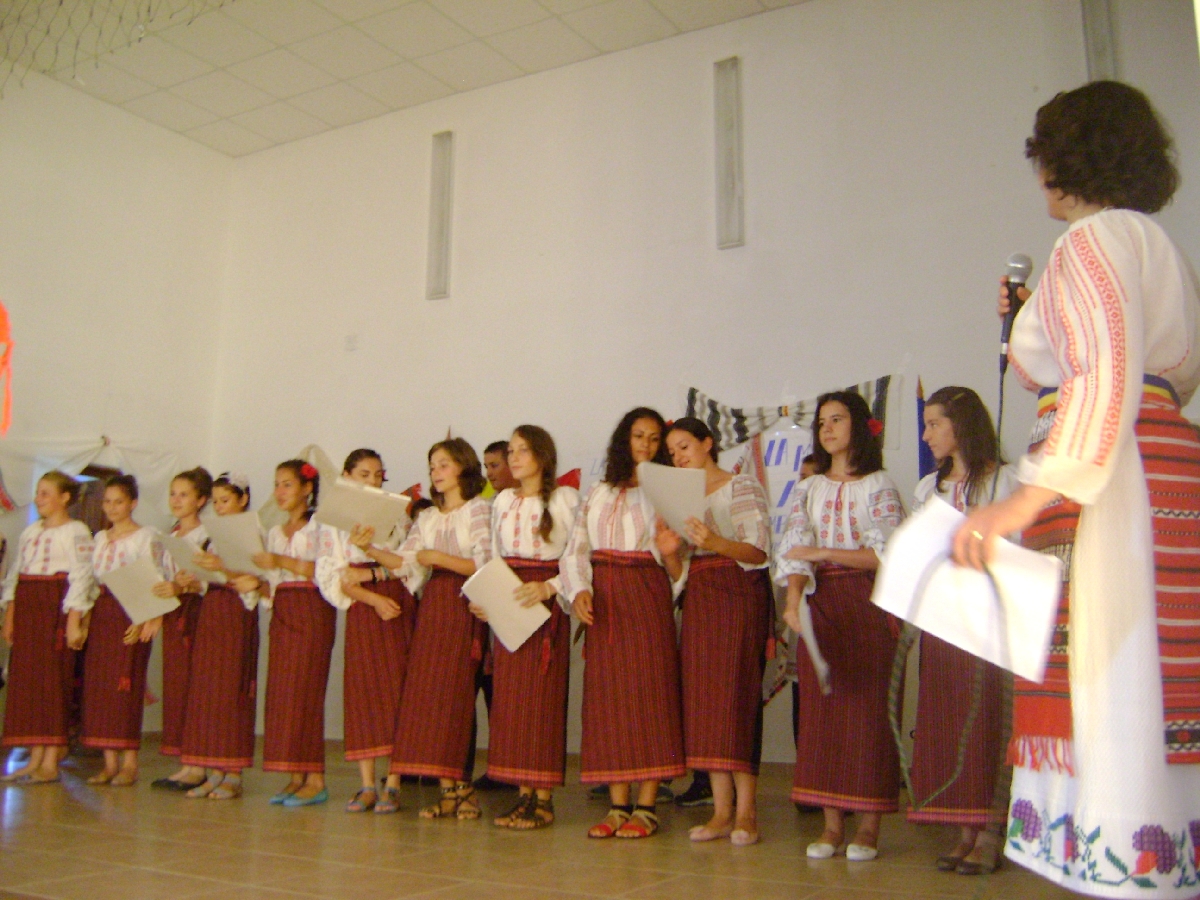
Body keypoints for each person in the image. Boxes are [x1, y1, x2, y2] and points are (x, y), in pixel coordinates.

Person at [953, 81, 1200, 898]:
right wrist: (1035, 319)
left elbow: (1100, 375)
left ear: (1062, 159)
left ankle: (1126, 866)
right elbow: (1155, 372)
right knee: (1156, 685)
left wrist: (1023, 499)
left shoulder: (1089, 242)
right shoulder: (1155, 245)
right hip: (1161, 463)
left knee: (1114, 684)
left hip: (1111, 485)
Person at [776, 391, 905, 861]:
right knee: (822, 715)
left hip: (868, 604)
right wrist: (793, 601)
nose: (828, 429)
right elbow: (796, 548)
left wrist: (825, 552)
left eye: (838, 419)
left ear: (860, 426)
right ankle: (831, 826)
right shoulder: (809, 488)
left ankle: (868, 826)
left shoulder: (879, 484)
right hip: (820, 603)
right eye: (822, 422)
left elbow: (887, 553)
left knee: (868, 714)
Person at [560, 406, 685, 839]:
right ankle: (617, 805)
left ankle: (646, 806)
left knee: (650, 696)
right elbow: (576, 549)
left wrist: (670, 552)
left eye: (653, 438)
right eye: (638, 436)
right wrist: (579, 590)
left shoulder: (666, 492)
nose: (645, 444)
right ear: (624, 440)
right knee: (607, 700)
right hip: (605, 600)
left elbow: (680, 565)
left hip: (646, 597)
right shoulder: (598, 492)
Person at [909, 387, 1018, 874]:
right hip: (943, 621)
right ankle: (964, 830)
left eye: (935, 424)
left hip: (990, 619)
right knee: (950, 723)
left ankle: (991, 831)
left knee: (987, 722)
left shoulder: (1005, 482)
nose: (926, 434)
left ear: (962, 425)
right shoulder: (927, 489)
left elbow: (1022, 548)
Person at [664, 417, 773, 846]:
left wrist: (714, 541)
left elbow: (757, 550)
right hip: (701, 599)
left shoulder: (740, 485)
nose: (679, 457)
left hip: (738, 593)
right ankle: (721, 811)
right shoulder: (681, 500)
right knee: (705, 702)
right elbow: (680, 572)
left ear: (708, 443)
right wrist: (670, 553)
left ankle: (747, 812)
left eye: (685, 446)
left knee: (737, 698)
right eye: (672, 452)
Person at [472, 425, 579, 829]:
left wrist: (550, 588)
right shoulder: (502, 501)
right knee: (512, 704)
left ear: (542, 456)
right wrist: (488, 597)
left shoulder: (565, 500)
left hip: (543, 604)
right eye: (511, 451)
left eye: (522, 451)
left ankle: (544, 798)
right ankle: (523, 794)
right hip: (510, 601)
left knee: (542, 702)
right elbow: (492, 557)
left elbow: (578, 558)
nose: (513, 458)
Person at [386, 438, 491, 819]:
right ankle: (448, 790)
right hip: (434, 606)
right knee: (429, 696)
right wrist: (369, 549)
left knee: (456, 696)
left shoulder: (478, 509)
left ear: (463, 466)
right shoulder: (428, 517)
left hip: (465, 605)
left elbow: (485, 562)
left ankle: (464, 788)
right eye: (432, 466)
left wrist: (439, 558)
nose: (436, 471)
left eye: (444, 463)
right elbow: (405, 563)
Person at [314, 449, 414, 814]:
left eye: (377, 474)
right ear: (347, 476)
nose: (372, 480)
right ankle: (367, 783)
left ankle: (394, 783)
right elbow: (333, 574)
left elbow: (409, 565)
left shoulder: (397, 514)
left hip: (397, 604)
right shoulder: (332, 519)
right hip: (363, 607)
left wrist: (379, 578)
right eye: (363, 474)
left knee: (398, 691)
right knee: (364, 693)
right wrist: (371, 598)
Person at [0, 471, 94, 783]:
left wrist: (73, 621)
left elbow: (82, 576)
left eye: (45, 493)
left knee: (52, 682)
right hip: (29, 608)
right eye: (38, 493)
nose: (39, 499)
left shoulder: (76, 531)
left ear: (64, 498)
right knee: (28, 683)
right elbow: (17, 574)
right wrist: (10, 616)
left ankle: (51, 761)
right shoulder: (31, 532)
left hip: (54, 607)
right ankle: (35, 758)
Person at [81, 474, 173, 786]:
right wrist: (85, 617)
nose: (111, 507)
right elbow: (92, 580)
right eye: (107, 501)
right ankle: (109, 763)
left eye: (118, 501)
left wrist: (144, 616)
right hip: (104, 612)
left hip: (132, 612)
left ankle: (130, 763)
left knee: (126, 684)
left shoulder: (145, 536)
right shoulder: (100, 539)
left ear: (132, 503)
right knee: (101, 687)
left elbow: (155, 576)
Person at [255, 460, 337, 807]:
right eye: (276, 484)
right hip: (284, 611)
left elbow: (326, 570)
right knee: (284, 694)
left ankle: (316, 778)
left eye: (287, 484)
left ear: (306, 488)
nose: (279, 492)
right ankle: (295, 774)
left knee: (307, 692)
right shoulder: (275, 532)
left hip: (312, 610)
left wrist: (280, 562)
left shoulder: (321, 527)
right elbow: (273, 582)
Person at [180, 472, 263, 799]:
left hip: (236, 612)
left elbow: (256, 576)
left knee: (232, 691)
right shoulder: (211, 535)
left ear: (243, 499)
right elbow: (210, 576)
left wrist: (221, 568)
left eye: (225, 500)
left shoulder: (252, 532)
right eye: (215, 502)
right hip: (212, 611)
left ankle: (233, 772)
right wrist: (195, 578)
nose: (219, 507)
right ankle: (214, 769)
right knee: (209, 691)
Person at [153, 467, 213, 791]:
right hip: (173, 611)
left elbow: (208, 579)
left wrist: (185, 585)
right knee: (177, 685)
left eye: (184, 494)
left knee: (196, 686)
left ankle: (198, 763)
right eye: (173, 494)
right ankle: (186, 762)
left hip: (197, 611)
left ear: (201, 500)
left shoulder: (206, 534)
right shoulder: (170, 536)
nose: (176, 500)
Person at [465, 440, 515, 792]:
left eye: (495, 465)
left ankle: (509, 767)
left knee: (505, 696)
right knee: (480, 688)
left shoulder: (519, 505)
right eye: (485, 466)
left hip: (512, 604)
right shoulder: (487, 506)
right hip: (482, 610)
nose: (489, 473)